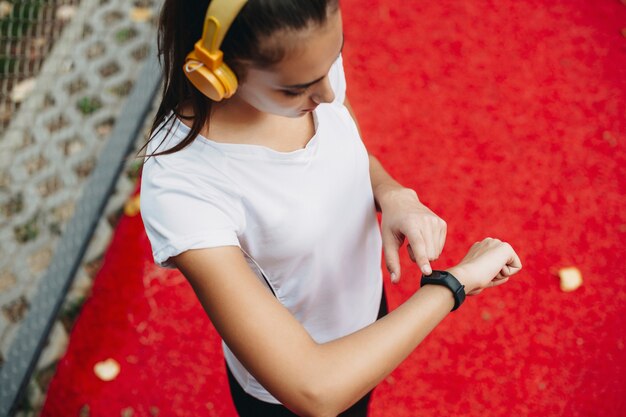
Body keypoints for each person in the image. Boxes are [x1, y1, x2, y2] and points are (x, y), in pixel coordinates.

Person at [139, 1, 523, 416]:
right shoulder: (182, 186)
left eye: (334, 57)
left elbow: (345, 153)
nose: (327, 94)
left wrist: (392, 193)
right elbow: (315, 390)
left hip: (365, 320)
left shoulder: (309, 71)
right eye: (296, 88)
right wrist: (455, 283)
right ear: (217, 76)